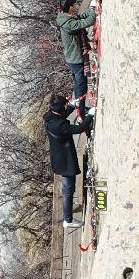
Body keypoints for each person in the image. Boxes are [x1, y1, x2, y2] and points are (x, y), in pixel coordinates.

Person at [45, 94, 80, 228]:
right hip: (65, 160)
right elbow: (78, 129)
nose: (67, 105)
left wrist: (71, 106)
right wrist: (89, 117)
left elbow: (60, 117)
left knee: (68, 188)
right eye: (65, 105)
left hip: (59, 157)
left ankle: (68, 212)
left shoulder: (49, 117)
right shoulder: (59, 125)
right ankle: (68, 220)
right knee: (68, 189)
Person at [55, 0, 95, 107]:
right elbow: (88, 21)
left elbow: (81, 16)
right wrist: (92, 9)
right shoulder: (69, 24)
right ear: (70, 7)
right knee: (81, 87)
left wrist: (90, 10)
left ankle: (81, 110)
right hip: (76, 60)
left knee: (79, 85)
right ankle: (81, 113)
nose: (76, 6)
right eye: (74, 4)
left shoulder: (66, 17)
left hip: (72, 59)